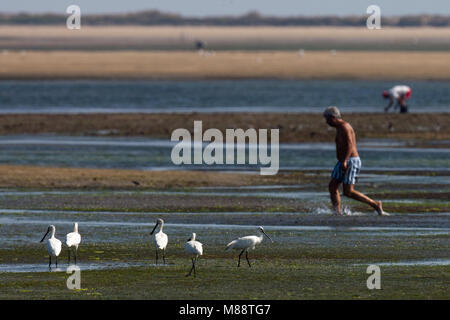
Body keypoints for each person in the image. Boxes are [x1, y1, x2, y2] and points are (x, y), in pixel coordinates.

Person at [323, 106, 388, 216]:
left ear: (333, 117)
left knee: (348, 191)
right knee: (332, 186)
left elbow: (350, 144)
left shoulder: (345, 127)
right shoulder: (339, 128)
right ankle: (337, 212)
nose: (327, 122)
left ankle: (375, 204)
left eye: (328, 120)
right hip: (343, 161)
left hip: (350, 161)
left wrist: (345, 160)